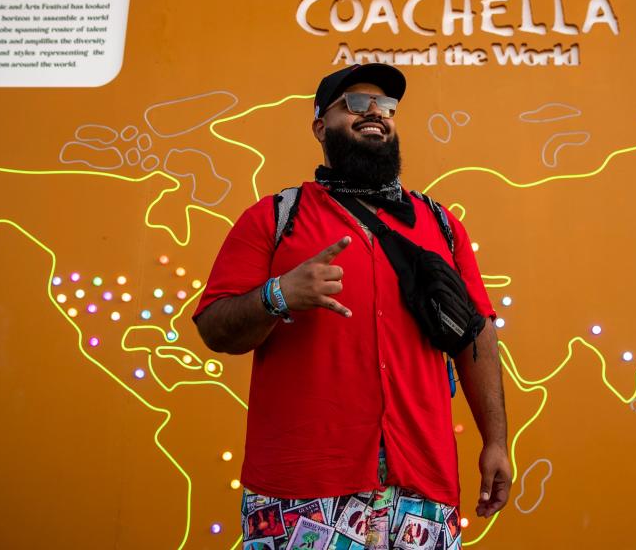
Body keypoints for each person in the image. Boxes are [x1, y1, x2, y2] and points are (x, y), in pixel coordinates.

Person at [193, 63, 511, 549]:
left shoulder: (441, 223)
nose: (375, 115)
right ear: (321, 126)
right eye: (356, 105)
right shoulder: (275, 217)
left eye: (385, 107)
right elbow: (215, 328)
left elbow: (478, 334)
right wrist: (278, 295)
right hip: (300, 494)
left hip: (421, 489)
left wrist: (495, 441)